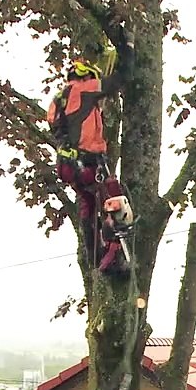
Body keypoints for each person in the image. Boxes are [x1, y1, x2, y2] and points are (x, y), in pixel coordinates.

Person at [46, 45, 136, 273]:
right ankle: (114, 257)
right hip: (86, 162)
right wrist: (128, 54)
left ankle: (95, 257)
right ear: (86, 76)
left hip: (67, 165)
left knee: (88, 204)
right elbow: (116, 81)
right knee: (113, 197)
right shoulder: (83, 89)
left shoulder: (59, 99)